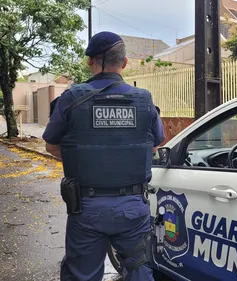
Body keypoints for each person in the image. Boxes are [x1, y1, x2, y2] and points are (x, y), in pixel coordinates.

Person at [42, 31, 165, 281]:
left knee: (82, 275)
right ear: (125, 62)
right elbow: (155, 145)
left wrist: (86, 162)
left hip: (86, 207)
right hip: (133, 208)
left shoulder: (72, 99)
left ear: (90, 62)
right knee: (140, 271)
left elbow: (52, 146)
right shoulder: (144, 100)